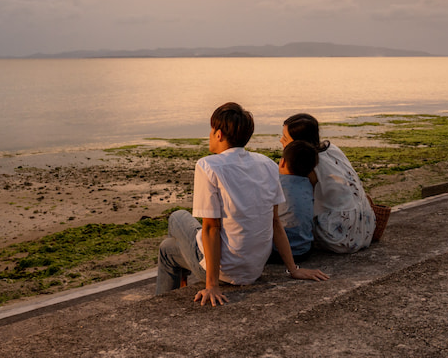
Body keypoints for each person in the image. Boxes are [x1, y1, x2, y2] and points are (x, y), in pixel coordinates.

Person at [156, 102, 329, 306]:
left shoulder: (207, 166)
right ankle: (177, 284)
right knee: (167, 249)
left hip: (224, 271)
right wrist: (293, 269)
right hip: (254, 269)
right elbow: (275, 222)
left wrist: (212, 286)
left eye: (211, 130)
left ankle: (166, 302)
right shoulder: (267, 164)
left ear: (218, 134)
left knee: (177, 217)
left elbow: (211, 228)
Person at [281, 113, 376, 254]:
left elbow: (298, 204)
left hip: (339, 236)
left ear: (298, 142)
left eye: (285, 138)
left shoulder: (305, 163)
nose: (281, 141)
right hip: (366, 226)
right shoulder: (333, 149)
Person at [273, 139, 318, 260]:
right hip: (304, 250)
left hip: (277, 251)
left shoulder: (277, 183)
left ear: (282, 162)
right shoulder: (308, 184)